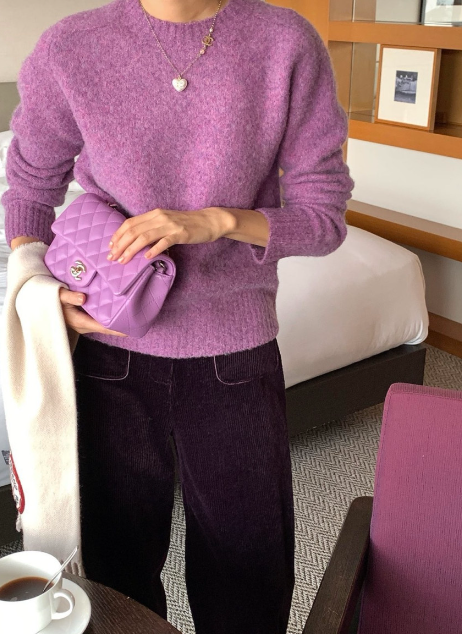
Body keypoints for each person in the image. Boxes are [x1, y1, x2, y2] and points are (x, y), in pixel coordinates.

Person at [2, 0, 354, 632]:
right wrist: (39, 287)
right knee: (114, 575)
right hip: (108, 348)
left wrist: (216, 220)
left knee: (249, 577)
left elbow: (323, 217)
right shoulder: (71, 47)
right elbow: (28, 190)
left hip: (236, 357)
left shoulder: (286, 43)